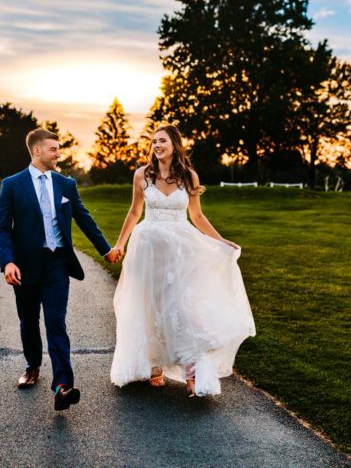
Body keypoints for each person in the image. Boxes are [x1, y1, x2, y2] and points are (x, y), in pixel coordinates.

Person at [109, 125, 255, 397]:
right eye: (153, 141)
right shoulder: (142, 174)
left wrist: (221, 241)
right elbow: (134, 212)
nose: (156, 145)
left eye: (162, 141)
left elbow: (197, 217)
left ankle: (192, 372)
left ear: (175, 145)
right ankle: (154, 366)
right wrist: (120, 243)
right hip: (148, 249)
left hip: (180, 251)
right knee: (149, 306)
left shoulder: (189, 177)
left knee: (183, 308)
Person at [0, 128, 121, 411]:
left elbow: (84, 218)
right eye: (53, 149)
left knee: (55, 322)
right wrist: (8, 262)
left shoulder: (66, 185)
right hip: (24, 267)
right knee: (28, 321)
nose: (58, 154)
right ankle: (33, 365)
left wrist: (106, 249)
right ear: (37, 151)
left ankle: (63, 385)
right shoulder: (12, 184)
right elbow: (1, 227)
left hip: (57, 265)